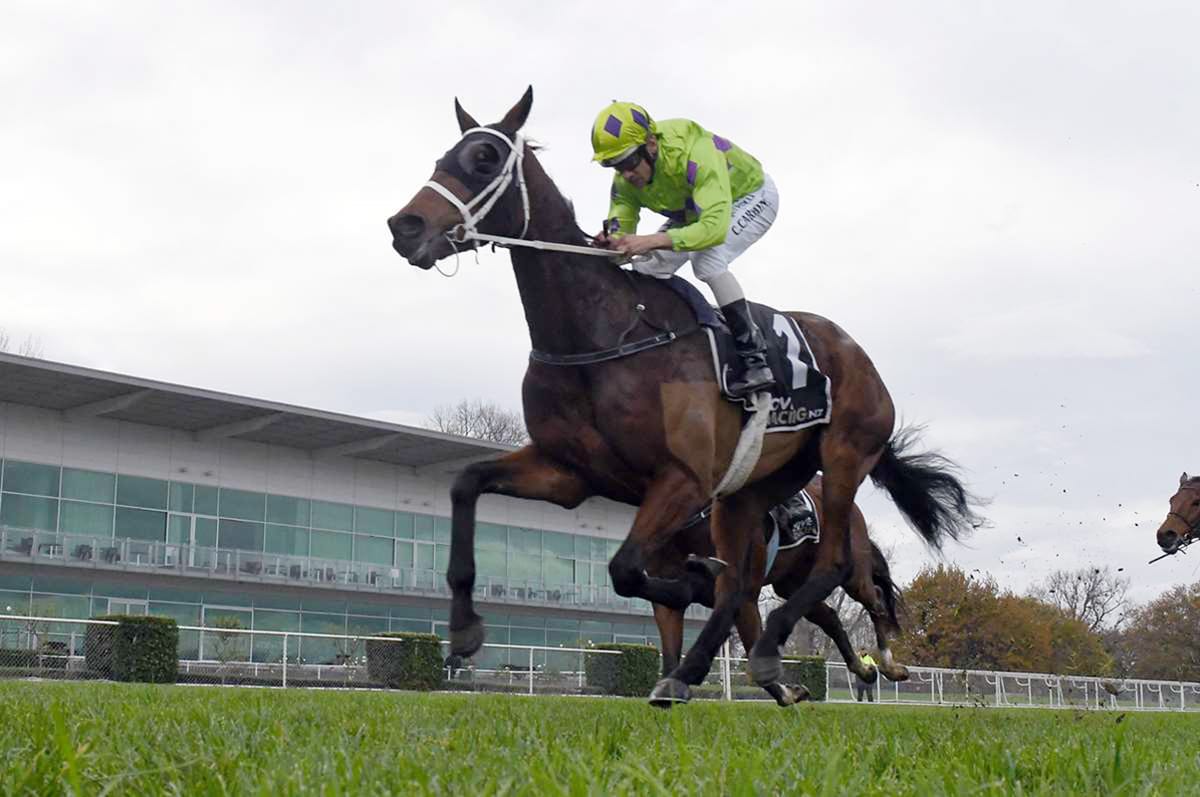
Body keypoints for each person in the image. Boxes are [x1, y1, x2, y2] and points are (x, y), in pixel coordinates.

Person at [590, 101, 779, 399]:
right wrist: (613, 243)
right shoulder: (627, 177)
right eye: (615, 166)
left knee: (707, 260)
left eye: (627, 162)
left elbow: (713, 229)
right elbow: (622, 227)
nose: (625, 174)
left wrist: (650, 240)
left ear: (651, 144)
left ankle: (755, 359)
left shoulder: (695, 152)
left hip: (750, 196)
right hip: (696, 210)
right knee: (647, 267)